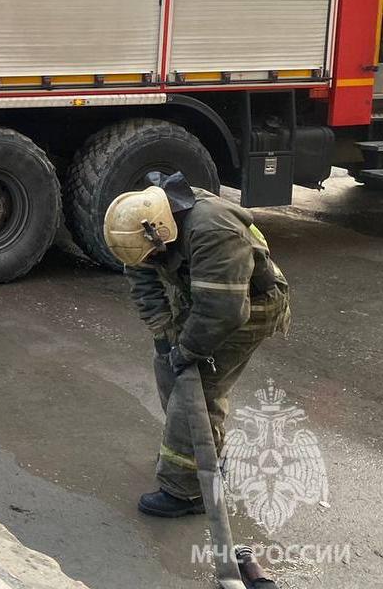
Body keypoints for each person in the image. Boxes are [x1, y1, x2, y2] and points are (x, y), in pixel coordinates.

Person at [103, 171, 291, 518]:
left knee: (197, 390)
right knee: (170, 374)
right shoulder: (146, 225)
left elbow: (224, 311)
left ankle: (189, 491)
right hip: (202, 298)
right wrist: (163, 335)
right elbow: (143, 277)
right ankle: (203, 453)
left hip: (250, 306)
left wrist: (187, 350)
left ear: (162, 231)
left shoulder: (213, 229)